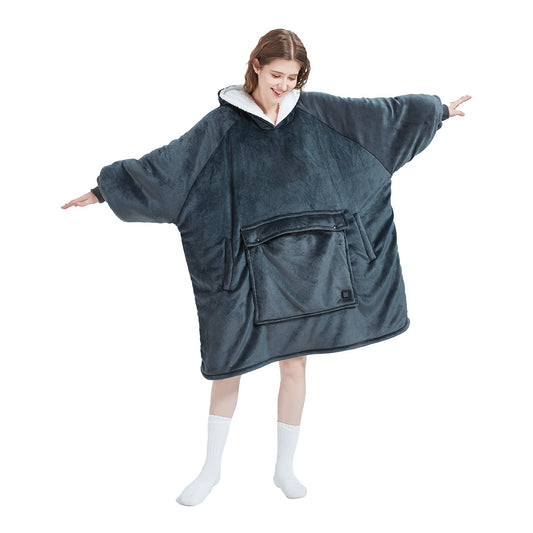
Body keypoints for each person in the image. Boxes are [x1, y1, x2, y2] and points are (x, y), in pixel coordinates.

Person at [62, 28, 471, 506]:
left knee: (295, 364)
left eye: (292, 78)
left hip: (315, 265)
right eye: (276, 74)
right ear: (255, 64)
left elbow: (383, 118)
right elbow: (168, 170)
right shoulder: (220, 126)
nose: (283, 85)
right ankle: (211, 469)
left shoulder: (320, 112)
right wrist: (104, 191)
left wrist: (437, 112)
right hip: (248, 270)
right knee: (229, 365)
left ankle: (284, 468)